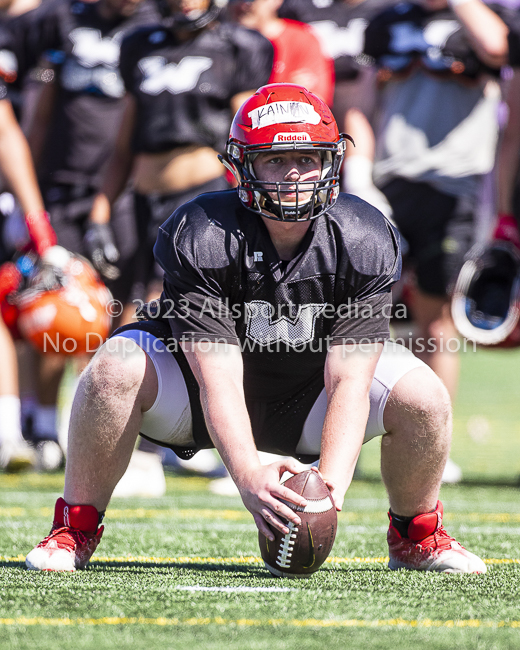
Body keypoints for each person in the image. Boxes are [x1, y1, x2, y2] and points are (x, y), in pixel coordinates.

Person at [25, 83, 486, 575]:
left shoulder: (365, 236)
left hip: (314, 398)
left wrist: (329, 490)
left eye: (307, 158)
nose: (294, 175)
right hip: (200, 399)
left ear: (331, 162)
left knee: (425, 397)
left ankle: (416, 535)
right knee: (113, 368)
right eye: (275, 160)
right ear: (243, 166)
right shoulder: (202, 231)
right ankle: (75, 526)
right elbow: (216, 375)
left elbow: (350, 379)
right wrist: (246, 474)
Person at [226, 0, 334, 106]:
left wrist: (254, 98)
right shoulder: (222, 44)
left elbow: (318, 101)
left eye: (251, 1)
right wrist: (288, 90)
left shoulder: (302, 39)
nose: (243, 5)